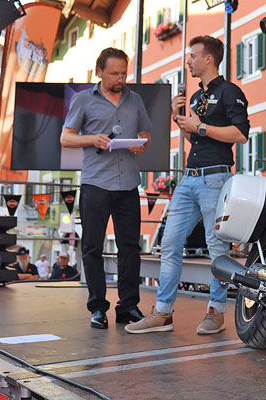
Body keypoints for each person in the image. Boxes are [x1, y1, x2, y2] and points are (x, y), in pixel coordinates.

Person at [126, 36, 249, 335]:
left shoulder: (230, 91)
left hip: (215, 177)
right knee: (169, 244)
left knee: (216, 247)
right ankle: (163, 313)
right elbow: (195, 139)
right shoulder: (194, 98)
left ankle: (216, 311)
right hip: (189, 177)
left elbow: (241, 134)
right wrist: (178, 118)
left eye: (193, 55)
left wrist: (200, 127)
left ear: (209, 58)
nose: (188, 61)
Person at [60, 47, 152, 329]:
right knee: (92, 247)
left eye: (123, 73)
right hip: (95, 183)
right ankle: (98, 308)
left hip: (128, 184)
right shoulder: (83, 100)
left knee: (130, 248)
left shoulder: (135, 100)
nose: (120, 79)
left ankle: (128, 307)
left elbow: (145, 134)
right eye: (114, 74)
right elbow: (66, 138)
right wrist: (93, 139)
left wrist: (140, 144)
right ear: (99, 72)